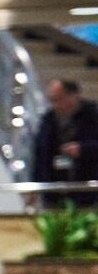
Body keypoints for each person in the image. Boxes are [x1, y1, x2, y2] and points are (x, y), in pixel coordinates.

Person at [30, 78, 98, 207]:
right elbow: (39, 155)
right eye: (51, 100)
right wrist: (35, 185)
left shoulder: (93, 116)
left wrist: (83, 149)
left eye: (58, 99)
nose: (54, 105)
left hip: (88, 189)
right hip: (54, 190)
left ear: (73, 96)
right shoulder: (48, 120)